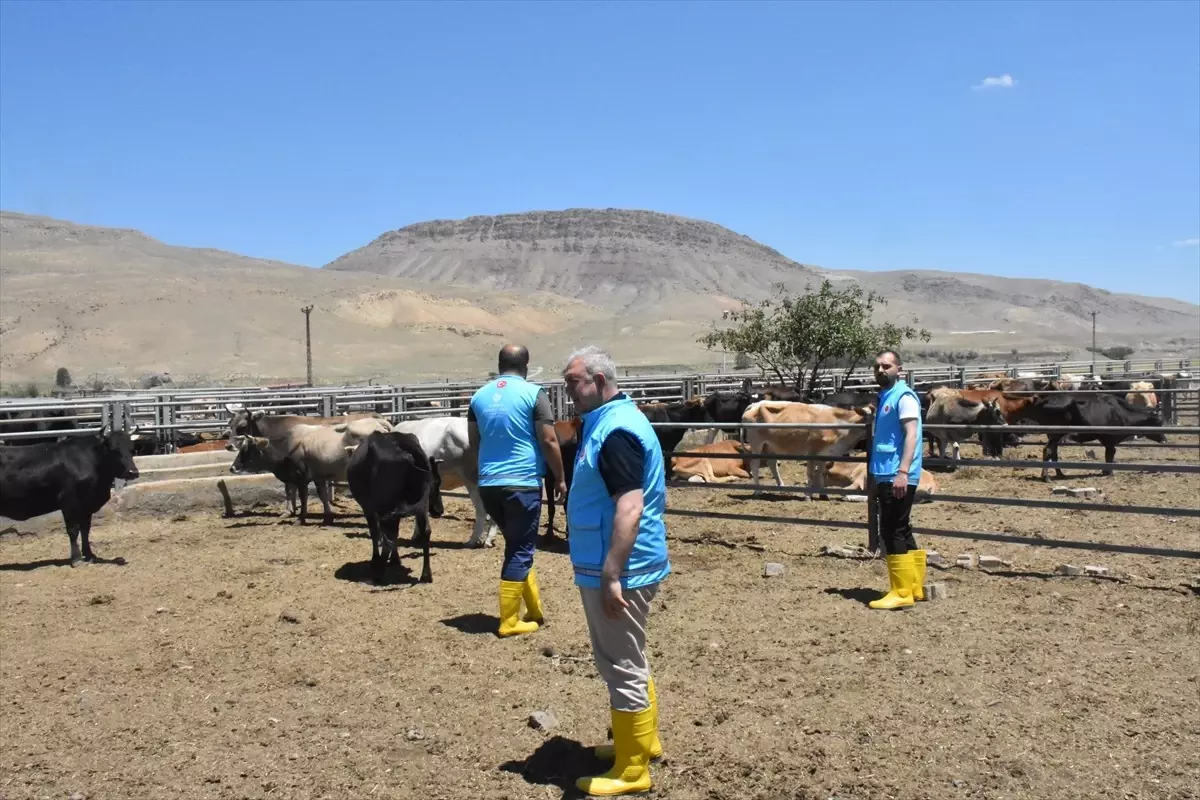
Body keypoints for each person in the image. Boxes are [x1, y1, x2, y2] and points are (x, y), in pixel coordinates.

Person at [561, 345, 669, 796]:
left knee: (619, 661)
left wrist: (611, 573)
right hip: (623, 560)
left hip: (619, 565)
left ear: (600, 380)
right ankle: (642, 742)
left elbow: (629, 506)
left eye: (574, 383)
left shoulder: (616, 430)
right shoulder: (610, 422)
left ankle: (631, 770)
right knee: (630, 655)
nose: (569, 393)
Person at [468, 344, 566, 637]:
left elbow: (474, 441)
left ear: (499, 364)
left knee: (516, 545)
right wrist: (560, 477)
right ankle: (509, 621)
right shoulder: (533, 394)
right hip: (522, 482)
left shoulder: (478, 396)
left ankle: (534, 610)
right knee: (522, 548)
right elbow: (548, 440)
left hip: (489, 483)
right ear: (526, 365)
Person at [868, 348, 926, 610]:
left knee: (890, 530)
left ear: (898, 369)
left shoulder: (903, 397)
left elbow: (911, 435)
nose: (881, 370)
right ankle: (914, 588)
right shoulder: (886, 396)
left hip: (896, 473)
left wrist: (902, 472)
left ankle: (900, 592)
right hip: (887, 471)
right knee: (902, 527)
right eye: (878, 366)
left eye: (887, 366)